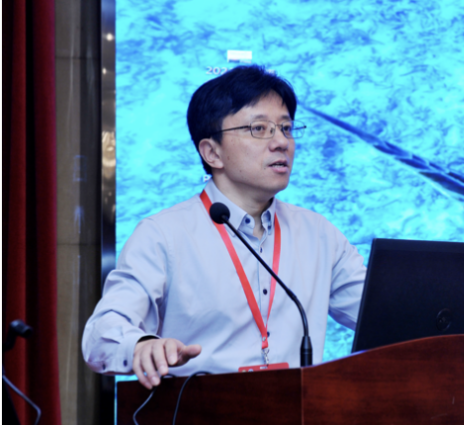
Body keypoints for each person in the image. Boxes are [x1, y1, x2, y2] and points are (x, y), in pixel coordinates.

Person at [82, 65, 366, 390]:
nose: (281, 142)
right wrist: (142, 345)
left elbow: (382, 314)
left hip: (299, 409)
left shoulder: (319, 234)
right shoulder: (163, 235)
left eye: (286, 128)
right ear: (212, 152)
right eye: (259, 129)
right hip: (201, 410)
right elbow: (100, 336)